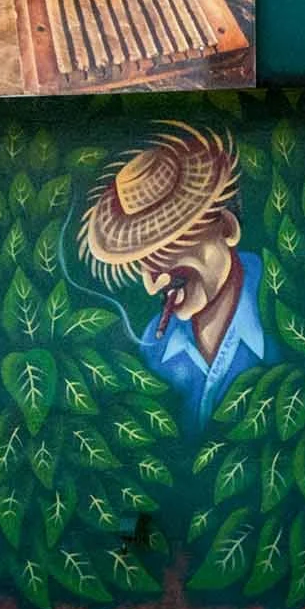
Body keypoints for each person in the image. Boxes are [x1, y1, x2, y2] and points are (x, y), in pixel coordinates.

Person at [78, 125, 264, 434]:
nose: (152, 286)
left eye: (168, 251)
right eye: (143, 264)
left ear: (227, 228)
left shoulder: (278, 312)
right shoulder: (154, 350)